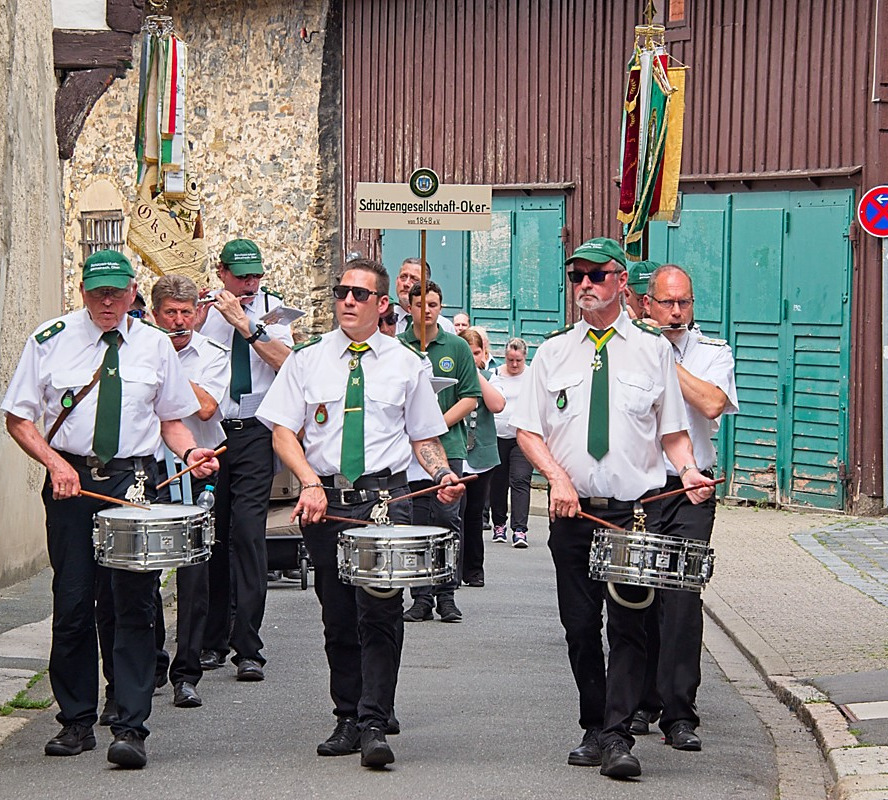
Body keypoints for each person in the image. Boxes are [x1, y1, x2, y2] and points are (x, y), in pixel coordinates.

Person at [1, 249, 219, 768]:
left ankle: (130, 724)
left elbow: (171, 420)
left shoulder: (155, 346)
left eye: (116, 292)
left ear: (131, 294)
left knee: (134, 604)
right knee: (74, 603)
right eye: (97, 291)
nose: (106, 301)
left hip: (135, 483)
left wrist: (190, 452)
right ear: (81, 291)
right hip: (72, 483)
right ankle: (76, 721)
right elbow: (18, 417)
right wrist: (54, 463)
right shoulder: (49, 340)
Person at [511, 237, 714, 780]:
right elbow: (528, 431)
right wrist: (556, 478)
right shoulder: (554, 352)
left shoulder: (653, 352)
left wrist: (690, 469)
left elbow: (671, 433)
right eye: (576, 275)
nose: (584, 285)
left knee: (629, 626)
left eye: (596, 275)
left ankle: (620, 736)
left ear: (622, 282)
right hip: (570, 512)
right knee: (579, 626)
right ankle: (594, 723)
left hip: (631, 513)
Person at [256, 258, 464, 769]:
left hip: (384, 503)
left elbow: (424, 437)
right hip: (325, 502)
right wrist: (308, 482)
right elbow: (283, 430)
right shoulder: (307, 360)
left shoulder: (405, 363)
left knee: (381, 612)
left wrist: (440, 476)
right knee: (338, 616)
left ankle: (375, 721)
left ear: (381, 304)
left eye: (359, 293)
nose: (347, 300)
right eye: (341, 291)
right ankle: (346, 714)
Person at [628, 264, 738, 751]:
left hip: (691, 488)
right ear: (647, 304)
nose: (677, 311)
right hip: (642, 490)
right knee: (638, 595)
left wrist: (663, 356)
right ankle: (639, 702)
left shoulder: (713, 351)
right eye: (668, 302)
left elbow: (712, 404)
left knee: (683, 598)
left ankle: (680, 712)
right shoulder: (624, 349)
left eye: (684, 303)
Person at [196, 238, 294, 680]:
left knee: (249, 535)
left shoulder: (275, 311)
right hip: (212, 433)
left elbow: (288, 365)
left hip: (255, 430)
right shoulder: (202, 309)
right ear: (222, 273)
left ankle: (249, 647)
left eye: (256, 275)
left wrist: (247, 326)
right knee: (212, 534)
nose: (251, 283)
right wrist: (200, 319)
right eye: (242, 276)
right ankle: (212, 639)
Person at [152, 274, 230, 709]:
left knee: (194, 574)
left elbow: (204, 407)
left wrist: (161, 372)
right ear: (154, 313)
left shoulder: (213, 354)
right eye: (171, 314)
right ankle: (153, 661)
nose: (180, 322)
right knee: (145, 574)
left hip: (198, 466)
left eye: (187, 313)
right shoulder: (140, 350)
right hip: (153, 468)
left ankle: (187, 673)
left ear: (197, 313)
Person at [399, 280, 481, 623]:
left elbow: (470, 395)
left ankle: (447, 593)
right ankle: (421, 596)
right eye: (420, 304)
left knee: (447, 520)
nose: (427, 310)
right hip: (411, 453)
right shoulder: (399, 346)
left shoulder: (457, 347)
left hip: (448, 446)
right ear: (410, 307)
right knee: (418, 523)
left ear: (440, 306)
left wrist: (434, 424)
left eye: (433, 304)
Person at [459, 328, 505, 587]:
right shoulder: (453, 378)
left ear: (484, 353)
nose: (472, 357)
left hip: (481, 455)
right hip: (456, 454)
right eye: (467, 352)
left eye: (476, 353)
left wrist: (475, 373)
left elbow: (497, 405)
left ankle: (474, 570)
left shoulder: (491, 376)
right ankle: (452, 569)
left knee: (475, 514)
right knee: (455, 513)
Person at [489, 338, 533, 547]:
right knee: (498, 482)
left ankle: (520, 529)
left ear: (525, 358)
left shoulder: (532, 375)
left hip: (522, 436)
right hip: (498, 435)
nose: (514, 365)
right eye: (510, 360)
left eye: (518, 361)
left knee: (520, 479)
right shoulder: (496, 375)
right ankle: (499, 524)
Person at [392, 257, 456, 335]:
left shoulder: (444, 326)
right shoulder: (382, 320)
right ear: (396, 280)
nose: (406, 284)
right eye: (403, 277)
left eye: (414, 279)